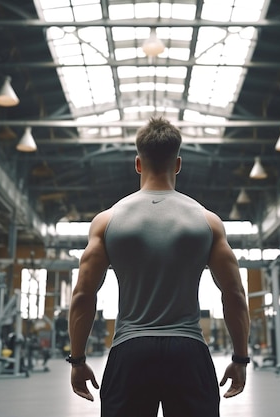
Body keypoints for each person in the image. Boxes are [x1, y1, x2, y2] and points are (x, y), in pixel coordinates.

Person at [67, 116, 250, 417]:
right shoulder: (207, 221)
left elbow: (83, 295)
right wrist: (240, 358)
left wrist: (77, 360)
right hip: (189, 351)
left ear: (138, 164)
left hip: (130, 351)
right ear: (177, 164)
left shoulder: (107, 221)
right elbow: (234, 295)